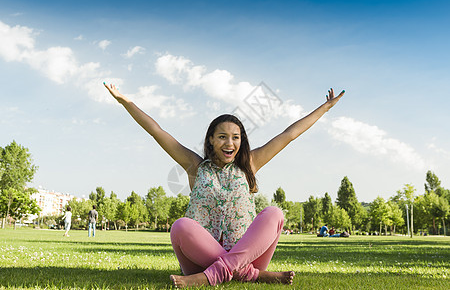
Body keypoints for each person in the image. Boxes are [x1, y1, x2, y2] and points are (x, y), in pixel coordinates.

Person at [104, 82, 344, 288]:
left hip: (247, 255)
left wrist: (325, 107)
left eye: (235, 137)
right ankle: (252, 277)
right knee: (180, 226)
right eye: (222, 136)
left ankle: (214, 276)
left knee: (274, 213)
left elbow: (289, 134)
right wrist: (125, 101)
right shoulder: (195, 166)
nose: (230, 143)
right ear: (210, 139)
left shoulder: (250, 163)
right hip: (200, 260)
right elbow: (157, 131)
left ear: (241, 141)